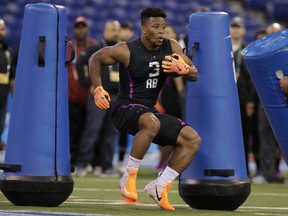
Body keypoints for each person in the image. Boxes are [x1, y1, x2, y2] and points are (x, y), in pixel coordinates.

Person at [88, 7, 201, 211]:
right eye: (155, 27)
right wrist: (97, 87)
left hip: (149, 111)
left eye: (163, 27)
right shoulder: (126, 49)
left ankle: (160, 186)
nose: (161, 31)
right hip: (124, 108)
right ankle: (129, 177)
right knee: (151, 121)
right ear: (143, 28)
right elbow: (96, 58)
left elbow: (194, 73)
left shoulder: (171, 46)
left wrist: (184, 69)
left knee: (192, 139)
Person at [74, 20, 121, 177]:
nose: (115, 33)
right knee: (92, 130)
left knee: (111, 133)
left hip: (116, 96)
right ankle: (81, 164)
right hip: (99, 95)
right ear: (105, 31)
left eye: (117, 30)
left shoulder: (121, 51)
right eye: (112, 29)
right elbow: (80, 63)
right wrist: (88, 85)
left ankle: (106, 166)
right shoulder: (95, 48)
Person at [253, 23, 285, 184]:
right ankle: (267, 173)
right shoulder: (260, 54)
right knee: (265, 137)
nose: (272, 37)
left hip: (284, 99)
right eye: (269, 33)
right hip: (265, 101)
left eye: (276, 33)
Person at [230, 16, 259, 177]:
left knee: (244, 134)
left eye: (238, 27)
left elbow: (252, 79)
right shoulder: (221, 48)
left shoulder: (247, 51)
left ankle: (244, 170)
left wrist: (250, 101)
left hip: (242, 98)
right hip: (225, 97)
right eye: (233, 26)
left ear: (244, 30)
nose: (235, 29)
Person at [156, 24, 185, 173]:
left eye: (169, 31)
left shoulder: (180, 50)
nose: (166, 34)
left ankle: (174, 163)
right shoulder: (158, 50)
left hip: (179, 94)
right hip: (167, 94)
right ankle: (163, 162)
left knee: (182, 131)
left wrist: (181, 92)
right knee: (166, 131)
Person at [68, 16, 96, 165]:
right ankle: (72, 161)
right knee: (73, 132)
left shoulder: (93, 46)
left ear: (87, 28)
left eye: (82, 26)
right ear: (74, 29)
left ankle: (86, 161)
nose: (80, 29)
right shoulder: (68, 47)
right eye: (78, 27)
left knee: (89, 131)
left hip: (90, 97)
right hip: (72, 97)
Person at [117, 21, 135, 174]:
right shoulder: (112, 48)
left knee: (125, 131)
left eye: (129, 30)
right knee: (103, 131)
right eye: (124, 29)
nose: (126, 33)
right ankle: (94, 162)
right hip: (111, 94)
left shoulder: (133, 49)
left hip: (128, 96)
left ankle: (122, 160)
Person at [0, 19, 15, 151]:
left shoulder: (8, 52)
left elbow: (11, 77)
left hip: (3, 100)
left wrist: (14, 96)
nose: (0, 32)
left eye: (2, 29)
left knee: (0, 127)